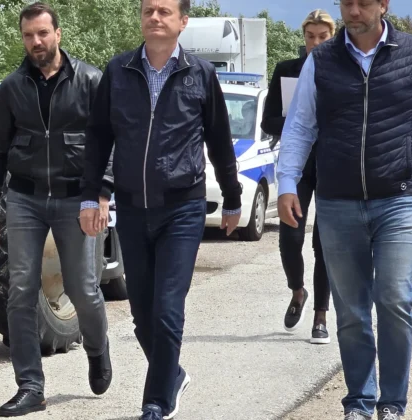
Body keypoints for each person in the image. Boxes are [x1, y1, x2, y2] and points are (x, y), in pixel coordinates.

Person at [276, 1, 412, 419]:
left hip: (399, 197)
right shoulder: (322, 60)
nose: (354, 11)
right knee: (350, 310)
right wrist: (287, 182)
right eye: (347, 3)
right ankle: (360, 402)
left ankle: (393, 403)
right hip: (337, 200)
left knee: (394, 297)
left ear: (383, 5)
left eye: (364, 3)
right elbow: (301, 125)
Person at [79, 0, 242, 418]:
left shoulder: (200, 74)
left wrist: (232, 197)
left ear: (182, 21)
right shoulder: (118, 71)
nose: (154, 17)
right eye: (148, 10)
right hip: (133, 209)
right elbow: (99, 137)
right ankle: (173, 375)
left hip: (182, 208)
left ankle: (156, 403)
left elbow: (219, 139)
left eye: (164, 11)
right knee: (141, 313)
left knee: (168, 310)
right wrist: (93, 194)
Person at [0, 2, 114, 417]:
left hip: (77, 198)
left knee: (83, 289)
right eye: (28, 35)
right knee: (20, 290)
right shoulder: (12, 87)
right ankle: (30, 387)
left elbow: (109, 141)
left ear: (57, 34)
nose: (35, 42)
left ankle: (97, 348)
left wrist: (101, 194)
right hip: (25, 198)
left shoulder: (90, 80)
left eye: (42, 33)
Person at [261, 9, 335, 345]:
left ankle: (321, 316)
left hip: (333, 166)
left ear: (332, 37)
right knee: (290, 237)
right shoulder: (286, 70)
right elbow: (268, 122)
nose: (315, 43)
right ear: (303, 37)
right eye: (310, 36)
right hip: (298, 166)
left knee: (324, 243)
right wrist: (299, 119)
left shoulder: (342, 70)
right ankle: (297, 291)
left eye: (322, 37)